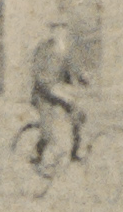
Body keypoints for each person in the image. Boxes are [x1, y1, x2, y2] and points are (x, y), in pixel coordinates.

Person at [27, 29, 86, 165]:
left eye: (63, 28)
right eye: (57, 28)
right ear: (51, 32)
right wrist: (52, 88)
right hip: (43, 94)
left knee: (77, 115)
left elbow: (72, 66)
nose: (60, 32)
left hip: (58, 92)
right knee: (47, 130)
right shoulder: (43, 49)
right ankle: (37, 154)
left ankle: (75, 152)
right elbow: (38, 74)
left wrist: (83, 77)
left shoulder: (65, 48)